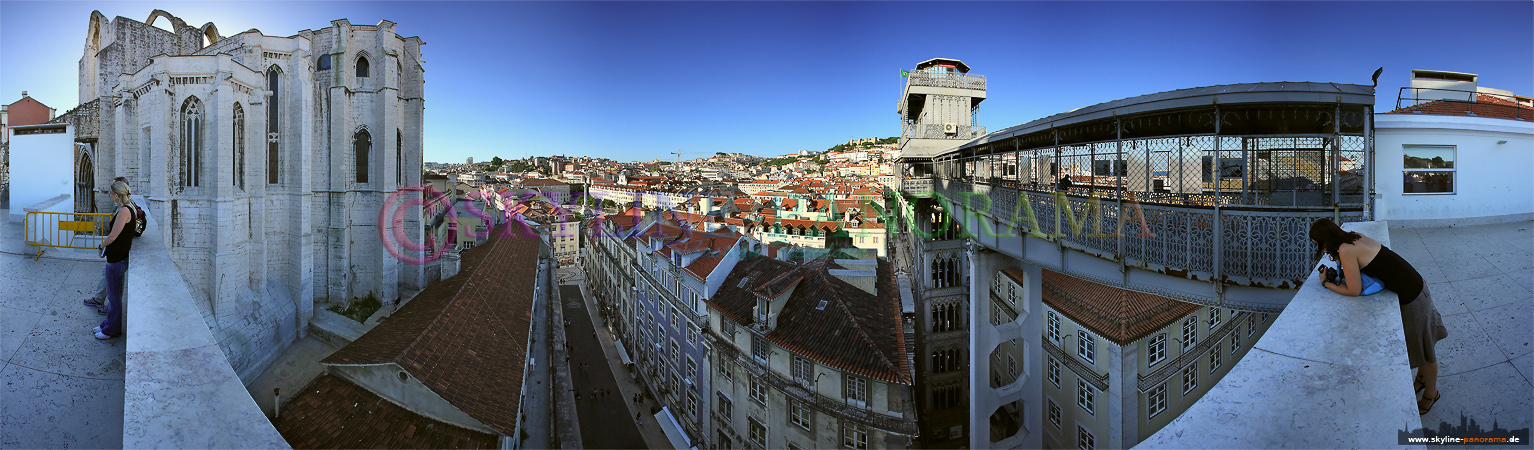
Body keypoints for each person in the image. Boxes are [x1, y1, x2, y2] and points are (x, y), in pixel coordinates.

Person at [1309, 218, 1447, 415]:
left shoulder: (1345, 250)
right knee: (1420, 347)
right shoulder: (1355, 237)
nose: (1321, 249)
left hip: (1413, 297)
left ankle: (1431, 395)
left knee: (1426, 352)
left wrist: (1326, 283)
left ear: (1325, 241)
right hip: (1416, 287)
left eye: (1319, 244)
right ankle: (1421, 381)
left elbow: (1354, 290)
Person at [94, 179, 140, 340]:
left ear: (116, 195)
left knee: (113, 298)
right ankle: (107, 324)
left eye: (110, 192)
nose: (109, 195)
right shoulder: (127, 208)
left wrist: (101, 246)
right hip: (118, 258)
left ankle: (112, 329)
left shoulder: (124, 211)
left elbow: (113, 236)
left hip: (117, 260)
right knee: (114, 296)